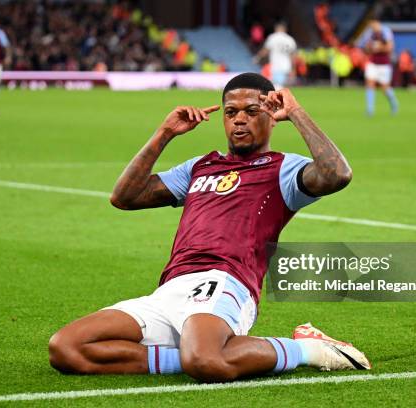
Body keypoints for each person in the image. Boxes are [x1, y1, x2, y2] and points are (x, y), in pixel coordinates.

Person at [48, 73, 370, 381]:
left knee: (205, 360)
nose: (239, 119)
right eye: (230, 112)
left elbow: (336, 174)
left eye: (251, 111)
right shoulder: (200, 166)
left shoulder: (283, 169)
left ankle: (310, 349)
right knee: (66, 348)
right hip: (170, 288)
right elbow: (125, 197)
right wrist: (165, 133)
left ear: (271, 115)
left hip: (226, 281)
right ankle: (188, 354)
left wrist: (296, 112)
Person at [358, 19, 399, 116]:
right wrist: (370, 48)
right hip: (372, 63)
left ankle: (394, 104)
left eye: (373, 24)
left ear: (377, 23)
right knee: (369, 84)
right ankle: (370, 109)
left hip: (384, 64)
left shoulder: (386, 31)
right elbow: (364, 47)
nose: (372, 27)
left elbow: (390, 48)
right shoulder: (369, 33)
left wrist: (379, 48)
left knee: (385, 88)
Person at [254, 22, 297, 89]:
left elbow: (265, 50)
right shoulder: (290, 39)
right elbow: (293, 56)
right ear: (285, 29)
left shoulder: (273, 37)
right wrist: (293, 69)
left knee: (277, 87)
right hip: (287, 66)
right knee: (285, 88)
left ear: (276, 29)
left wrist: (257, 58)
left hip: (276, 66)